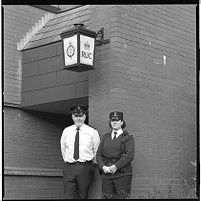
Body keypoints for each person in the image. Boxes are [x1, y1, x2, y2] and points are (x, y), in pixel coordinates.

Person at [60, 105, 100, 199]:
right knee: (68, 196)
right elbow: (63, 149)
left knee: (83, 195)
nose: (78, 118)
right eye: (76, 116)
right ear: (72, 116)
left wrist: (90, 164)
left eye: (81, 116)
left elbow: (96, 150)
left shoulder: (92, 132)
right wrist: (69, 161)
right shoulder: (66, 131)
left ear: (85, 116)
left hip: (85, 167)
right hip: (69, 167)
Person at [96, 111, 134, 199]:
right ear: (110, 122)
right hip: (107, 173)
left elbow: (129, 155)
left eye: (117, 120)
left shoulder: (128, 137)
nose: (115, 122)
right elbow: (99, 154)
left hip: (122, 174)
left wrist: (115, 166)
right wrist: (103, 167)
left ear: (122, 122)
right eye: (112, 120)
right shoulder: (105, 137)